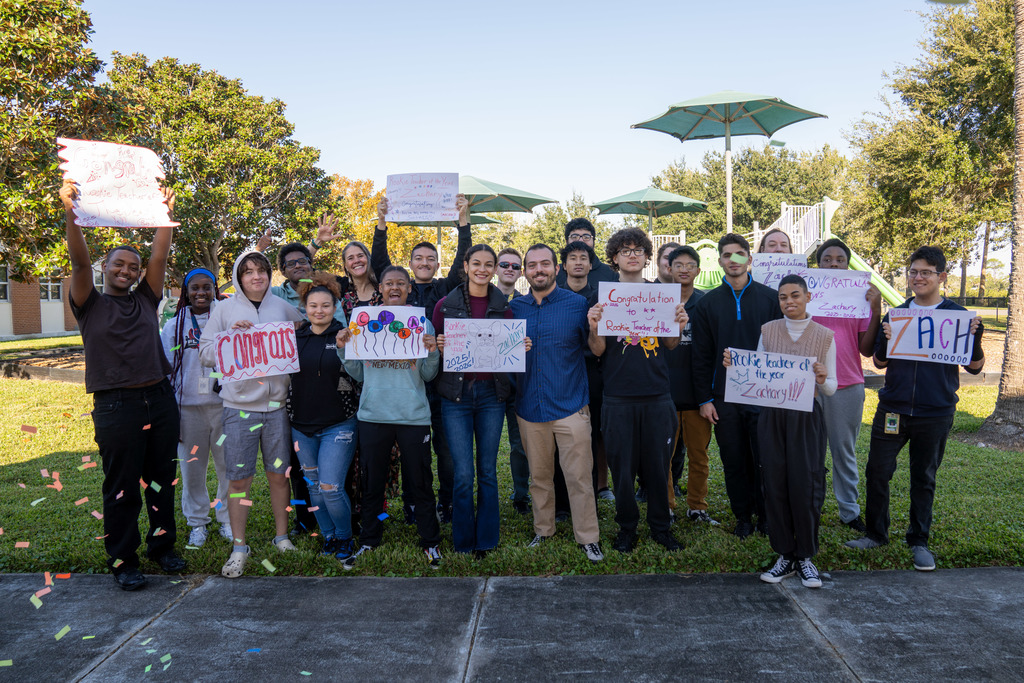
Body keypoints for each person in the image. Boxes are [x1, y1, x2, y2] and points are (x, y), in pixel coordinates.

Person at [61, 179, 185, 591]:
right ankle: (123, 560)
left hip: (160, 398)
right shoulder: (89, 302)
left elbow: (159, 254)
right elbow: (78, 264)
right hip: (116, 407)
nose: (127, 270)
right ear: (105, 268)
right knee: (122, 486)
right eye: (119, 264)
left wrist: (165, 214)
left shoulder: (146, 298)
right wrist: (71, 211)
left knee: (160, 480)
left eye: (133, 266)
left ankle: (163, 547)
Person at [846, 246, 984, 571]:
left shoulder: (958, 317)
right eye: (913, 272)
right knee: (877, 471)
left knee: (924, 477)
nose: (918, 278)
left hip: (935, 413)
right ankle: (876, 534)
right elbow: (878, 362)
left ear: (941, 277)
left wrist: (975, 338)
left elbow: (976, 367)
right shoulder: (897, 314)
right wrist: (888, 339)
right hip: (892, 409)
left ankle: (918, 540)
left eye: (925, 272)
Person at [722, 274, 837, 589]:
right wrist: (735, 365)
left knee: (806, 483)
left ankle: (806, 556)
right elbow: (756, 375)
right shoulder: (768, 331)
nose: (789, 302)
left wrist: (824, 377)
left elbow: (830, 389)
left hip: (806, 418)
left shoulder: (825, 336)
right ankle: (784, 554)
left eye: (795, 295)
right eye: (783, 297)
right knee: (775, 483)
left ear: (808, 297)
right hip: (772, 416)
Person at [199, 251, 304, 578]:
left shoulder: (281, 306)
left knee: (279, 475)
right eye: (248, 272)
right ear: (238, 276)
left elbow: (305, 330)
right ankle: (240, 546)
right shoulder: (225, 309)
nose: (256, 276)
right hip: (238, 409)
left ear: (269, 274)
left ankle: (282, 537)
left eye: (261, 270)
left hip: (276, 408)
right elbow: (204, 353)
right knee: (239, 479)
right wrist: (229, 340)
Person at [371, 194, 472, 523]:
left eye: (431, 258)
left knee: (445, 448)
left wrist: (463, 222)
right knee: (413, 450)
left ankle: (447, 503)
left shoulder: (447, 289)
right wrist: (382, 224)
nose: (425, 262)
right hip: (406, 382)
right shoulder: (401, 289)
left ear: (437, 265)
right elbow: (379, 265)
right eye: (419, 258)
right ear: (411, 263)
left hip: (440, 380)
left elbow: (461, 263)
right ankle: (414, 503)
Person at [587, 228, 689, 553]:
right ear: (614, 258)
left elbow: (671, 344)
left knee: (658, 467)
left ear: (647, 257)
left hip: (657, 394)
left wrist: (680, 326)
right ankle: (627, 528)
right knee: (622, 469)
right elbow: (599, 350)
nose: (632, 254)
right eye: (624, 250)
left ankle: (661, 527)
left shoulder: (662, 295)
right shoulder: (602, 297)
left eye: (638, 250)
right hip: (617, 397)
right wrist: (593, 327)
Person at [337, 266, 443, 569]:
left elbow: (427, 374)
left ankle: (430, 542)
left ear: (409, 288)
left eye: (400, 283)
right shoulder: (362, 322)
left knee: (420, 480)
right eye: (388, 284)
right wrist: (344, 350)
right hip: (374, 414)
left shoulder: (421, 323)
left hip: (413, 416)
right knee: (372, 482)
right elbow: (357, 372)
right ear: (379, 289)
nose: (394, 288)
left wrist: (432, 351)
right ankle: (369, 540)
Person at [510, 244, 604, 562]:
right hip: (530, 406)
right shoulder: (514, 308)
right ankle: (543, 530)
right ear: (525, 271)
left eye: (545, 264)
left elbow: (597, 349)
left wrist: (594, 329)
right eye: (532, 265)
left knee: (578, 476)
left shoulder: (577, 304)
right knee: (539, 477)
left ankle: (589, 537)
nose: (539, 270)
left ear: (556, 268)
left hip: (570, 405)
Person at [434, 244, 524, 557]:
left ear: (496, 268)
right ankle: (463, 540)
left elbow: (508, 350)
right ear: (466, 265)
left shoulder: (504, 306)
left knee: (486, 470)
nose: (483, 270)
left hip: (490, 396)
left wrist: (519, 344)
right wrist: (439, 345)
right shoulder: (445, 305)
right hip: (456, 396)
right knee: (462, 474)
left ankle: (486, 539)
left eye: (489, 264)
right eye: (477, 263)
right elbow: (434, 350)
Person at [691, 233, 782, 538]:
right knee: (733, 458)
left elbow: (782, 347)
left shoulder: (771, 299)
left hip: (764, 394)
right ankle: (743, 516)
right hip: (724, 397)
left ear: (749, 259)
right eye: (727, 255)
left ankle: (768, 516)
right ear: (719, 261)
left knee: (765, 459)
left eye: (739, 254)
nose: (733, 260)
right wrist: (705, 398)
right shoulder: (708, 304)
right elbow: (701, 355)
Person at [813, 238, 882, 533]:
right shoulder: (806, 293)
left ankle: (849, 512)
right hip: (808, 385)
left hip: (847, 383)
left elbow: (866, 350)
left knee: (844, 451)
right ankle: (809, 506)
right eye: (827, 259)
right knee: (810, 452)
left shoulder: (859, 300)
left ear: (848, 264)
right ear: (818, 264)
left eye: (840, 259)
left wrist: (876, 308)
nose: (833, 264)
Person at [160, 267, 232, 548]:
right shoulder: (174, 325)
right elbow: (166, 369)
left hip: (225, 407)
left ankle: (226, 518)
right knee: (192, 469)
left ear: (215, 289)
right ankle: (197, 523)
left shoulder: (227, 319)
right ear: (186, 292)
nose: (201, 293)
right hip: (188, 410)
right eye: (195, 288)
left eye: (207, 287)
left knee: (228, 466)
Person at [290, 273, 359, 562]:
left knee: (331, 487)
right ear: (305, 306)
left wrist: (345, 350)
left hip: (338, 423)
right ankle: (329, 536)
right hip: (301, 426)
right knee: (314, 487)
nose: (319, 311)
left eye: (326, 306)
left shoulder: (346, 335)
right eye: (313, 305)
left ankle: (345, 537)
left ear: (335, 307)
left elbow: (357, 377)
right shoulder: (293, 338)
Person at [665, 246, 718, 525]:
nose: (684, 269)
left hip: (698, 394)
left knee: (699, 456)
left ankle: (697, 507)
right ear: (669, 269)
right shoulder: (658, 301)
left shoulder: (706, 303)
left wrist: (707, 395)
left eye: (690, 265)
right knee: (665, 457)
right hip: (665, 393)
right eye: (678, 264)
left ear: (698, 270)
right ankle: (668, 507)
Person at [559, 241, 612, 502]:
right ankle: (563, 494)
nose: (578, 262)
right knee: (564, 434)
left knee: (595, 433)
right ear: (564, 266)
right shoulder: (554, 296)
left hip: (595, 372)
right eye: (573, 258)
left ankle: (597, 488)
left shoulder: (604, 298)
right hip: (564, 374)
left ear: (591, 265)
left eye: (583, 258)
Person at [495, 247, 531, 515]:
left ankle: (521, 495)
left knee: (520, 445)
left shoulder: (524, 304)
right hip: (488, 387)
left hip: (518, 385)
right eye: (504, 264)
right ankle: (485, 495)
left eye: (515, 266)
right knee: (487, 445)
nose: (509, 269)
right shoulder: (481, 299)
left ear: (521, 273)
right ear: (496, 267)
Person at [554, 217, 618, 288]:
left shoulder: (611, 274)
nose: (581, 241)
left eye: (586, 237)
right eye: (574, 237)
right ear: (566, 241)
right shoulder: (555, 274)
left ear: (594, 241)